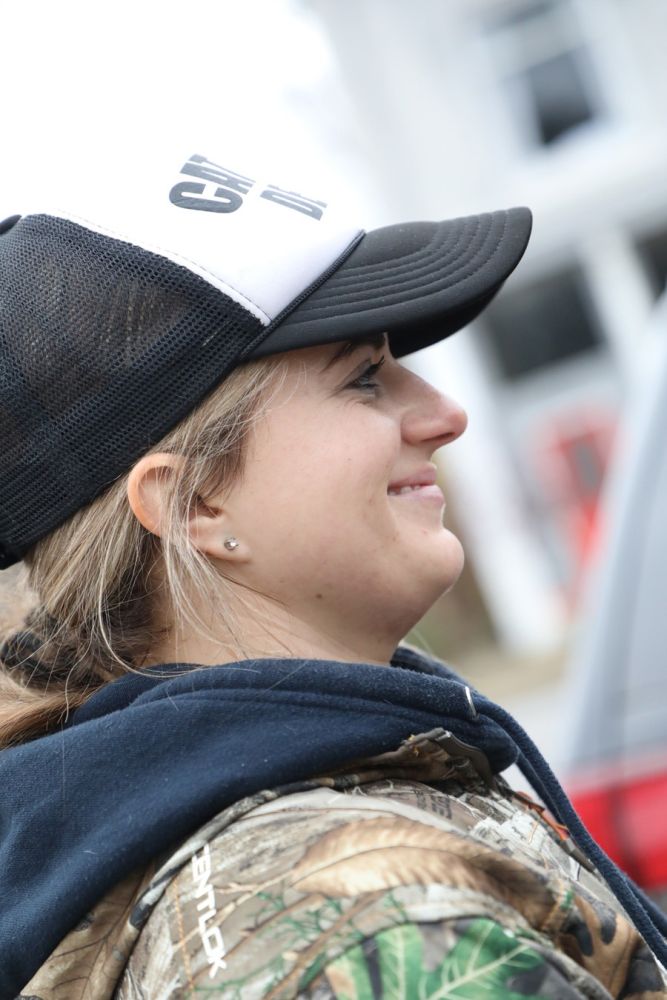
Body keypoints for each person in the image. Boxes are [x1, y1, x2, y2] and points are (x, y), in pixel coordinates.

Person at [0, 148, 665, 1000]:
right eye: (363, 377)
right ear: (196, 502)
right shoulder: (369, 932)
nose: (444, 414)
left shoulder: (322, 804)